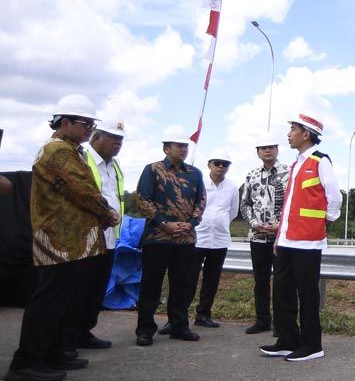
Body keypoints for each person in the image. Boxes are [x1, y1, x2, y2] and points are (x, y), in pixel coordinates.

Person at [4, 95, 119, 381]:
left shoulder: (72, 150)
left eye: (92, 124)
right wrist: (107, 213)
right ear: (65, 122)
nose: (90, 129)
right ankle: (25, 362)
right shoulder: (57, 151)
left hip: (74, 241)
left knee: (64, 300)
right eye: (85, 124)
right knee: (49, 300)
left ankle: (52, 352)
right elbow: (82, 191)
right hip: (59, 241)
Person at [260, 113, 341, 362]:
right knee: (282, 292)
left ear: (306, 134)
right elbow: (289, 206)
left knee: (307, 295)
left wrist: (323, 221)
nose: (289, 134)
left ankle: (312, 345)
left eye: (293, 129)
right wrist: (279, 236)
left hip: (308, 241)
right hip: (287, 240)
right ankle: (288, 340)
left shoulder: (320, 161)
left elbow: (334, 197)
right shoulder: (296, 164)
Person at [133, 131, 206, 347]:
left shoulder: (195, 173)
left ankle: (179, 326)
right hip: (157, 238)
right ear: (166, 148)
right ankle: (145, 329)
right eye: (178, 145)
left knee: (181, 285)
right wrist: (164, 223)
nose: (183, 149)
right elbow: (143, 200)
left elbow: (201, 201)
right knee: (151, 285)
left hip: (185, 239)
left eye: (185, 146)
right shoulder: (152, 170)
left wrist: (190, 223)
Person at [63, 120, 126, 353]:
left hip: (108, 238)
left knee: (96, 290)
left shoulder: (115, 166)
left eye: (121, 139)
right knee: (78, 290)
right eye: (113, 138)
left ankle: (83, 332)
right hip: (86, 238)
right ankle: (66, 339)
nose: (118, 143)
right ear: (96, 137)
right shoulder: (82, 160)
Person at [240, 135, 289, 334]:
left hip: (281, 238)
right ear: (258, 152)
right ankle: (262, 320)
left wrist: (280, 226)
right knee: (260, 281)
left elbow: (293, 204)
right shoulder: (251, 175)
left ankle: (281, 324)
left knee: (282, 282)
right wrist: (254, 224)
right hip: (257, 237)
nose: (267, 150)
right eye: (263, 148)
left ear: (277, 149)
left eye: (271, 147)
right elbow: (245, 204)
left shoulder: (289, 173)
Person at [185, 151, 239, 328]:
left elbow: (233, 212)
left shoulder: (232, 187)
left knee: (212, 280)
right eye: (217, 163)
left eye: (225, 164)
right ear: (209, 164)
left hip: (219, 240)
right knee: (188, 279)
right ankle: (178, 318)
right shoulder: (199, 184)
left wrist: (220, 223)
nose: (221, 166)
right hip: (197, 238)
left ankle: (203, 315)